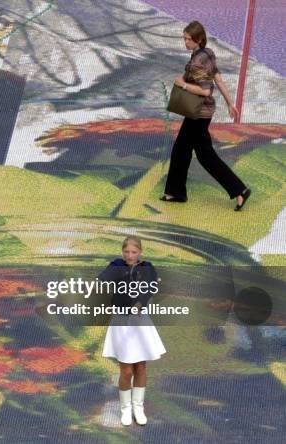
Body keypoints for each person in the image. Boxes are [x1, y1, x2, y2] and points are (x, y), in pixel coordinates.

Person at [162, 20, 251, 211]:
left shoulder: (197, 62)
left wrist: (182, 84)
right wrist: (230, 102)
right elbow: (217, 77)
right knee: (184, 151)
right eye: (184, 38)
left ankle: (239, 190)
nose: (184, 42)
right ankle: (176, 192)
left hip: (198, 113)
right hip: (203, 112)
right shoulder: (207, 53)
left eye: (187, 39)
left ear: (198, 39)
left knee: (203, 155)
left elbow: (205, 91)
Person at [101, 235, 166, 426]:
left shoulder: (147, 268)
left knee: (141, 367)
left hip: (140, 322)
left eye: (134, 252)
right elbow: (103, 278)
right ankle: (125, 408)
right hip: (121, 323)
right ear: (122, 252)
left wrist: (139, 303)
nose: (130, 255)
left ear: (140, 253)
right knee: (126, 370)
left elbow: (150, 289)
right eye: (127, 252)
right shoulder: (116, 265)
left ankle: (138, 407)